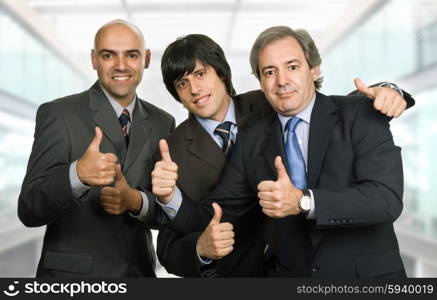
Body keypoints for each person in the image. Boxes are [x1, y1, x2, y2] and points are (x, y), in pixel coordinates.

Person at [153, 32, 412, 277]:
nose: (282, 80)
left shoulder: (357, 114)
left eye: (292, 66)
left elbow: (385, 199)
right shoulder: (252, 139)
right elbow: (214, 215)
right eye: (269, 72)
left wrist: (303, 201)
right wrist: (169, 196)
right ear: (261, 82)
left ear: (314, 69)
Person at [18, 20, 174, 277]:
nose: (121, 65)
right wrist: (76, 175)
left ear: (145, 59)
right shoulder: (58, 114)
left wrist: (136, 201)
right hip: (74, 281)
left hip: (139, 275)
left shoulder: (162, 122)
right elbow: (29, 208)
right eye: (108, 55)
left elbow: (169, 211)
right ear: (94, 59)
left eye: (131, 55)